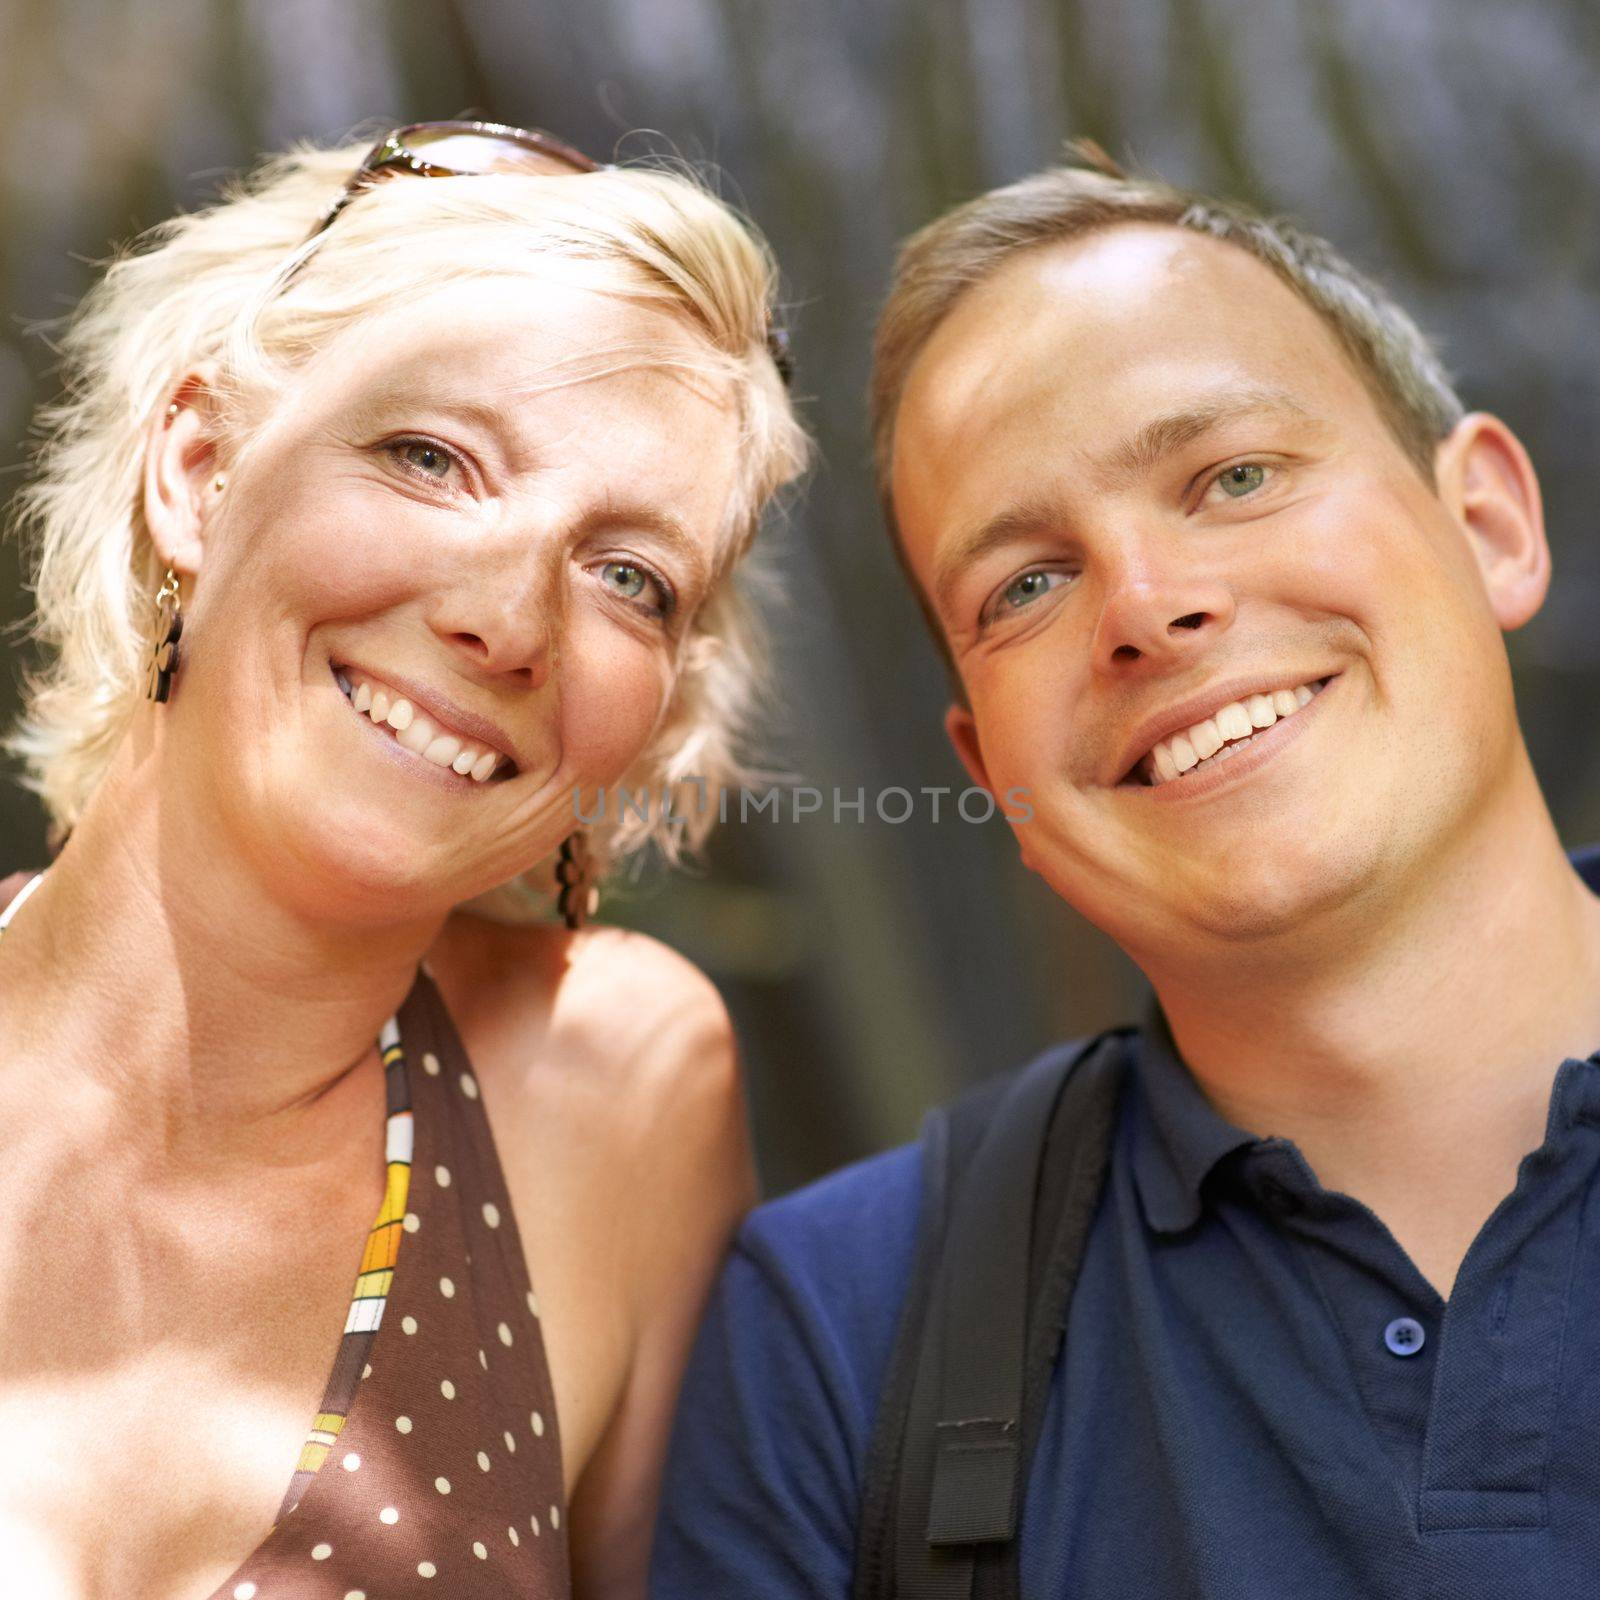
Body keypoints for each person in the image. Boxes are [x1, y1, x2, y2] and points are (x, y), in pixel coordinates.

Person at [650, 143, 1600, 1597]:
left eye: (1232, 475)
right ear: (991, 776)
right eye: (1024, 584)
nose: (1148, 609)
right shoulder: (840, 1344)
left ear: (1491, 527)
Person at [0, 121, 805, 1600]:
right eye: (430, 457)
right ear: (199, 473)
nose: (509, 617)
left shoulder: (606, 1082)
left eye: (629, 576)